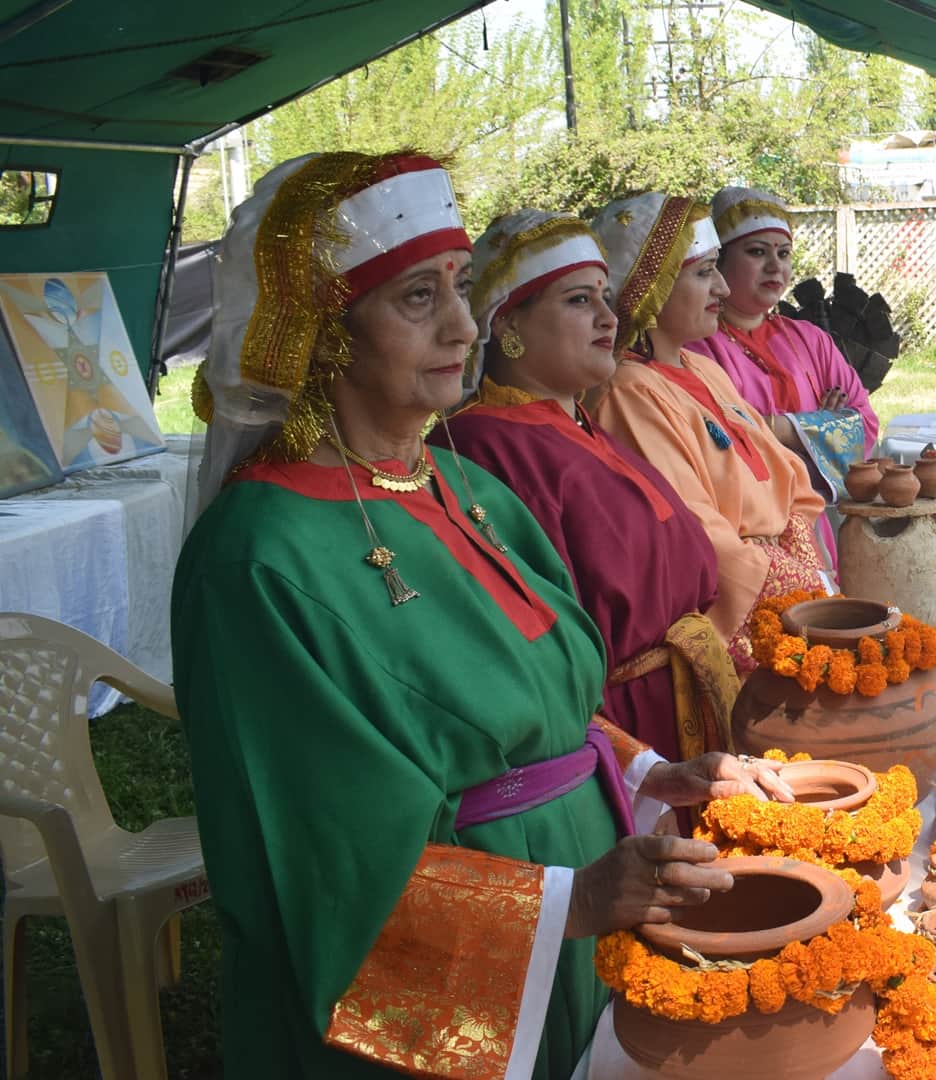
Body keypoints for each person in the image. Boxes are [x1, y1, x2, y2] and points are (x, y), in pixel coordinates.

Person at [175, 152, 790, 1079]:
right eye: (417, 298)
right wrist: (567, 904)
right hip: (468, 983)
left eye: (460, 287)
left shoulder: (463, 486)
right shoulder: (259, 554)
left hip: (572, 924)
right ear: (323, 333)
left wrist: (656, 771)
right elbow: (318, 849)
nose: (465, 324)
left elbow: (540, 710)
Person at [432, 209, 744, 760]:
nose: (609, 316)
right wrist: (630, 765)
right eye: (579, 300)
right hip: (622, 734)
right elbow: (544, 637)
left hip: (678, 703)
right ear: (505, 323)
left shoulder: (577, 423)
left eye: (604, 295)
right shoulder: (484, 446)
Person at [586, 193, 828, 670]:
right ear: (652, 287)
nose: (721, 287)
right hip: (742, 609)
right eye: (704, 272)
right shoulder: (630, 392)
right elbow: (694, 529)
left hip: (789, 586)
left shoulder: (703, 369)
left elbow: (792, 478)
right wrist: (801, 591)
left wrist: (811, 576)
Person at [689, 186, 877, 502]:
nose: (775, 266)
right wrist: (820, 426)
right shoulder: (698, 347)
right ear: (719, 261)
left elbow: (866, 426)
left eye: (784, 253)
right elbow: (718, 440)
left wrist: (774, 427)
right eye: (757, 252)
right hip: (751, 519)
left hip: (825, 513)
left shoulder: (811, 340)